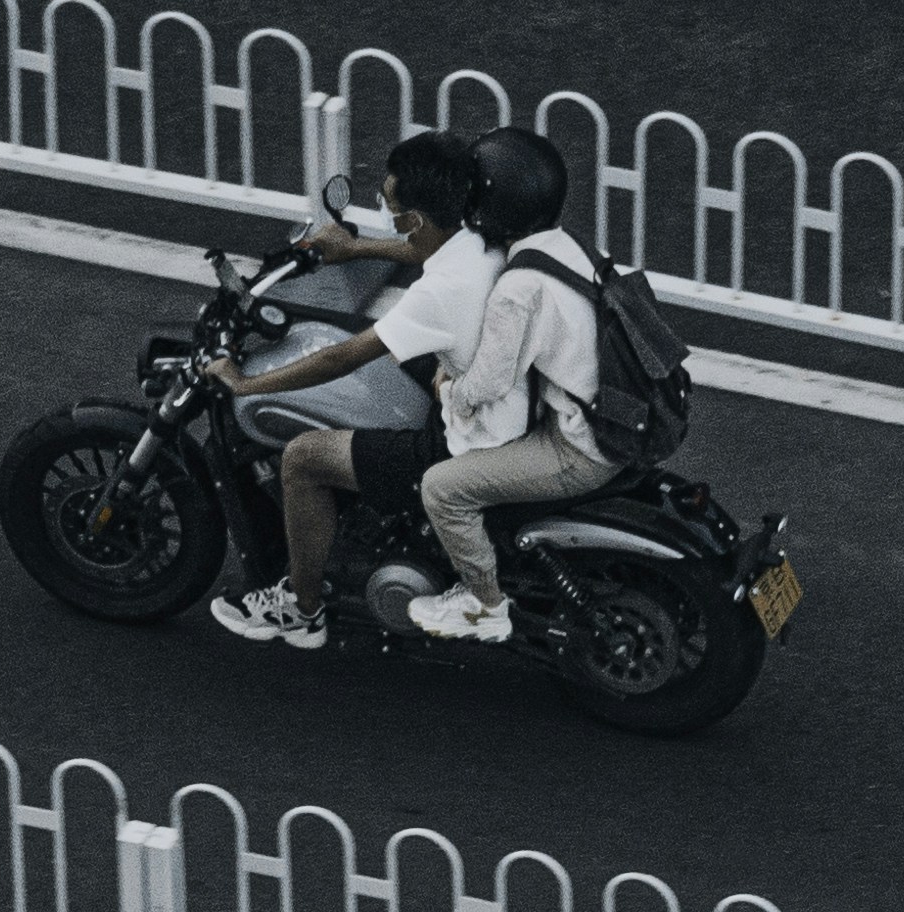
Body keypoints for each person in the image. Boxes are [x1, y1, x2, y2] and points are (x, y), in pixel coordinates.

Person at [201, 130, 495, 650]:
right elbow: (425, 246)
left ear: (419, 218)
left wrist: (244, 382)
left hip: (459, 444)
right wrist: (356, 246)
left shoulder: (439, 293)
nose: (389, 215)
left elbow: (340, 357)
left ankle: (302, 608)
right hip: (493, 408)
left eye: (392, 207)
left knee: (304, 459)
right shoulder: (480, 237)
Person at [408, 129, 619, 642]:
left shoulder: (516, 289)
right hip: (609, 416)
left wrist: (446, 390)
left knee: (441, 489)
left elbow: (489, 382)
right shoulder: (565, 246)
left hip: (577, 448)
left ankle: (484, 605)